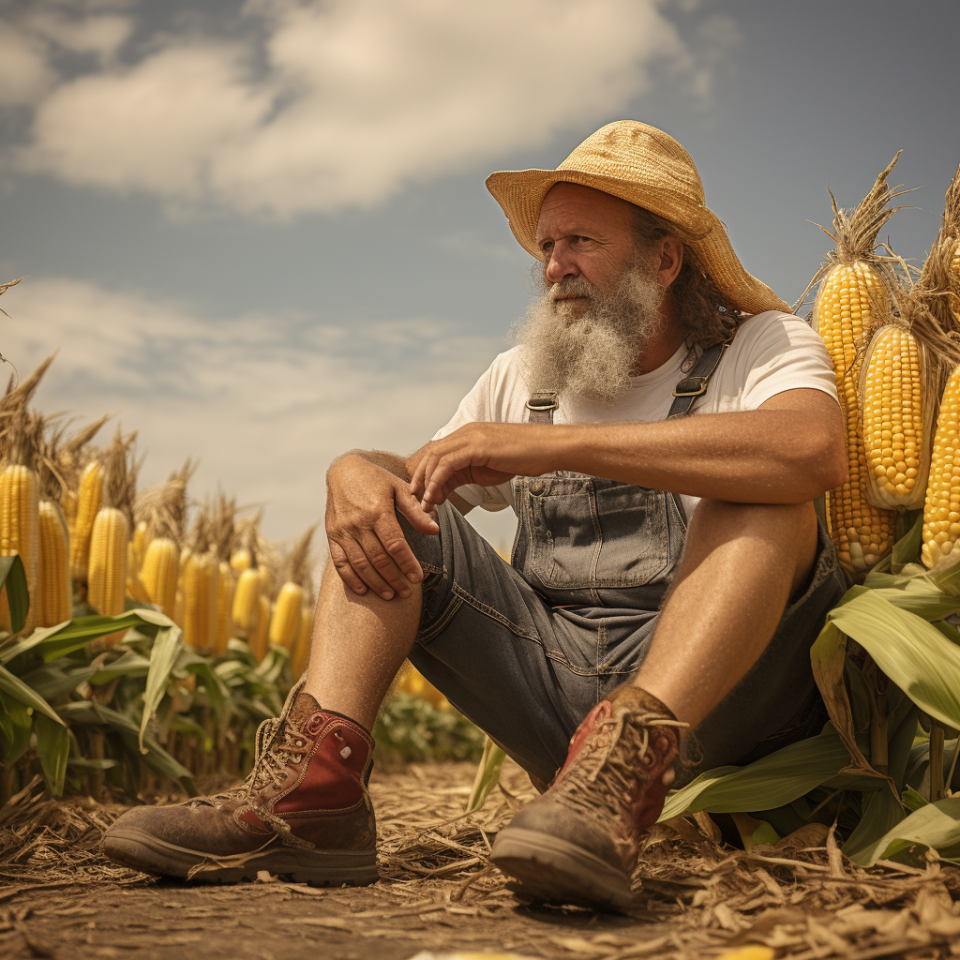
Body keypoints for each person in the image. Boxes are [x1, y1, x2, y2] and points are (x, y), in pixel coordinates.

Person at [104, 121, 848, 910]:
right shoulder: (522, 376)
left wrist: (558, 449)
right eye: (547, 245)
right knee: (383, 512)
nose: (554, 265)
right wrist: (353, 470)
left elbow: (809, 451)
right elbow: (417, 479)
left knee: (764, 492)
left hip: (718, 713)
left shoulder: (761, 347)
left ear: (664, 260)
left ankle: (629, 756)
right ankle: (313, 800)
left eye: (581, 242)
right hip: (555, 697)